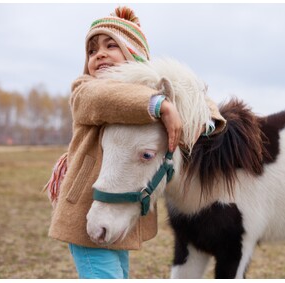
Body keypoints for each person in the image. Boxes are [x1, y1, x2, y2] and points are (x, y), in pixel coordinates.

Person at [44, 6, 226, 279]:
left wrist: (205, 121)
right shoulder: (86, 89)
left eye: (111, 45)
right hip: (87, 211)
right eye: (92, 50)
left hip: (121, 209)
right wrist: (159, 104)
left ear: (134, 55)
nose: (99, 54)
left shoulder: (145, 94)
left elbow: (194, 96)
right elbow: (105, 99)